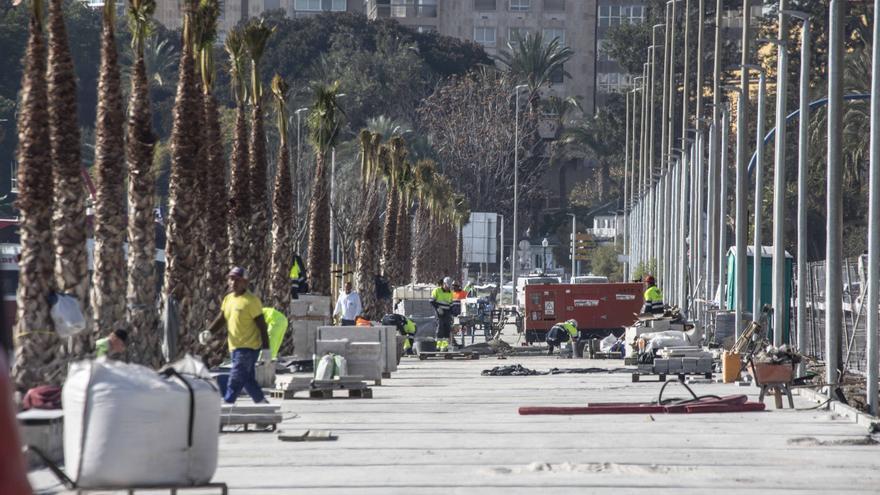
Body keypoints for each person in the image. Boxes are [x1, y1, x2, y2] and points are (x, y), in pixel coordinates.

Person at [201, 267, 270, 405]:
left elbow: (262, 326)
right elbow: (222, 318)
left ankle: (227, 406)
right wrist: (209, 332)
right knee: (248, 380)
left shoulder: (251, 301)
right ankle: (263, 407)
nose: (233, 283)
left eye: (237, 280)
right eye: (231, 279)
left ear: (245, 282)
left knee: (236, 379)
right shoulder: (228, 299)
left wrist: (266, 349)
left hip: (248, 348)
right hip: (235, 348)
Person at [431, 277, 454, 352]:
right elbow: (432, 301)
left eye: (449, 286)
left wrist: (451, 314)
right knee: (440, 327)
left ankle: (444, 346)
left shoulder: (450, 292)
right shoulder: (437, 290)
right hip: (439, 312)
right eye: (447, 286)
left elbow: (450, 304)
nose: (448, 288)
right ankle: (438, 345)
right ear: (444, 284)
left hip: (447, 312)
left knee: (447, 328)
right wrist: (438, 308)